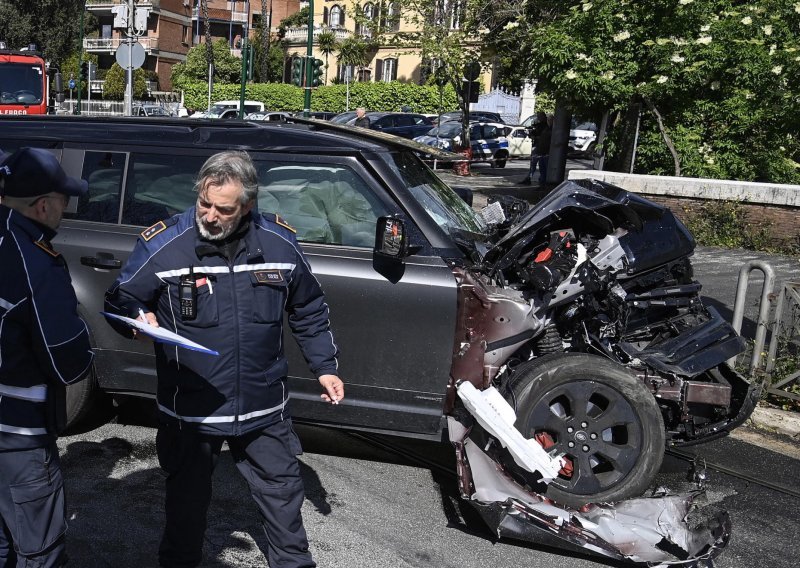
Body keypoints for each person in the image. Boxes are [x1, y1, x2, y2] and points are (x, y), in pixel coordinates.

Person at [104, 150, 344, 568]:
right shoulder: (164, 246)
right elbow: (122, 301)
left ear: (248, 206)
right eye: (204, 203)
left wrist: (324, 367)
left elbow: (308, 307)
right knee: (186, 509)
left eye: (224, 209)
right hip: (192, 410)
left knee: (284, 497)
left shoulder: (280, 243)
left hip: (264, 404)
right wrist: (136, 320)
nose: (210, 216)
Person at [0, 147, 94, 567]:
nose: (65, 208)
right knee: (39, 549)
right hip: (17, 436)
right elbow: (68, 363)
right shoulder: (34, 260)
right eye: (63, 199)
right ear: (43, 205)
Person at [518, 112, 553, 185]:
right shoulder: (541, 126)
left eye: (540, 116)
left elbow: (545, 138)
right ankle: (532, 179)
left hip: (543, 149)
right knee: (536, 165)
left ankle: (542, 181)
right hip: (539, 147)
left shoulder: (547, 128)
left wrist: (536, 137)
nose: (538, 118)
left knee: (543, 166)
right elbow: (534, 133)